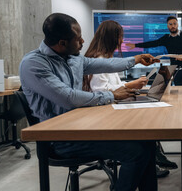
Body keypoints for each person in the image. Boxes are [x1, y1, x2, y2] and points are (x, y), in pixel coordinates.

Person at [19, 13, 160, 191]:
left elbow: (105, 64)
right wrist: (112, 95)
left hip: (81, 127)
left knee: (147, 141)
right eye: (78, 39)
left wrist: (135, 59)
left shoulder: (72, 58)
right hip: (60, 139)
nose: (83, 41)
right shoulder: (34, 64)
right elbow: (68, 98)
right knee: (136, 153)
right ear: (62, 42)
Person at [82, 20, 170, 178]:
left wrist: (132, 84)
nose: (122, 41)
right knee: (145, 123)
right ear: (111, 38)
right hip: (105, 112)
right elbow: (101, 91)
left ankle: (154, 157)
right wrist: (130, 86)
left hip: (113, 106)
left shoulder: (106, 58)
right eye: (120, 37)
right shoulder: (97, 60)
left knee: (149, 117)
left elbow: (114, 85)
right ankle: (152, 158)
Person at [126, 16, 182, 87]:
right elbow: (153, 43)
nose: (173, 26)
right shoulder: (166, 38)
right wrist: (135, 45)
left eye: (174, 23)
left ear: (177, 24)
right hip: (175, 70)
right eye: (170, 24)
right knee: (179, 92)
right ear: (167, 26)